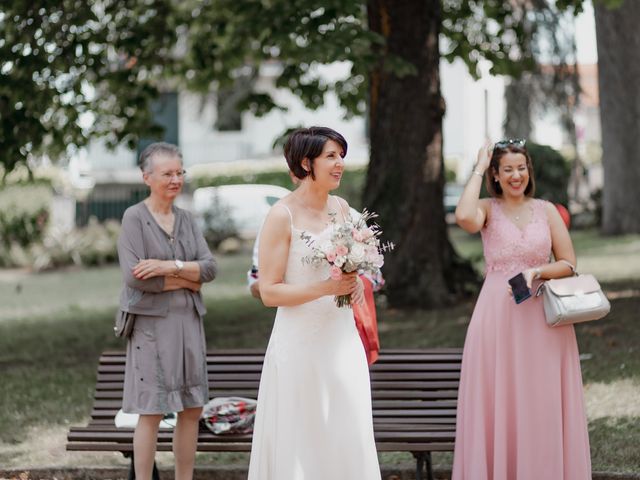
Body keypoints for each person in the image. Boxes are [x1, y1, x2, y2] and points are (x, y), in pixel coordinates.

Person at [452, 139, 591, 479]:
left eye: (521, 168)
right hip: (495, 319)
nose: (517, 175)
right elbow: (463, 217)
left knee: (541, 400)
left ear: (529, 171)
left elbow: (569, 263)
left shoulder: (547, 210)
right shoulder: (486, 208)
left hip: (542, 319)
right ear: (497, 176)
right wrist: (478, 167)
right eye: (508, 170)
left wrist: (537, 271)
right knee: (501, 399)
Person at [247, 127, 381, 479]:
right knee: (302, 438)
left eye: (341, 156)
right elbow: (269, 292)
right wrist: (326, 288)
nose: (340, 164)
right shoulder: (282, 216)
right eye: (331, 157)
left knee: (345, 431)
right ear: (307, 163)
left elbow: (350, 272)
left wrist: (354, 286)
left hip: (342, 341)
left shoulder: (343, 208)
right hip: (299, 344)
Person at [117, 142, 217, 480]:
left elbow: (209, 269)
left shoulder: (187, 220)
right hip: (151, 329)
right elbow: (135, 279)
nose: (176, 179)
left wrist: (167, 266)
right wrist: (186, 277)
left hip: (189, 323)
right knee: (152, 411)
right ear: (147, 177)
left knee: (191, 408)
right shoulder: (134, 218)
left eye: (179, 172)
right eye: (167, 174)